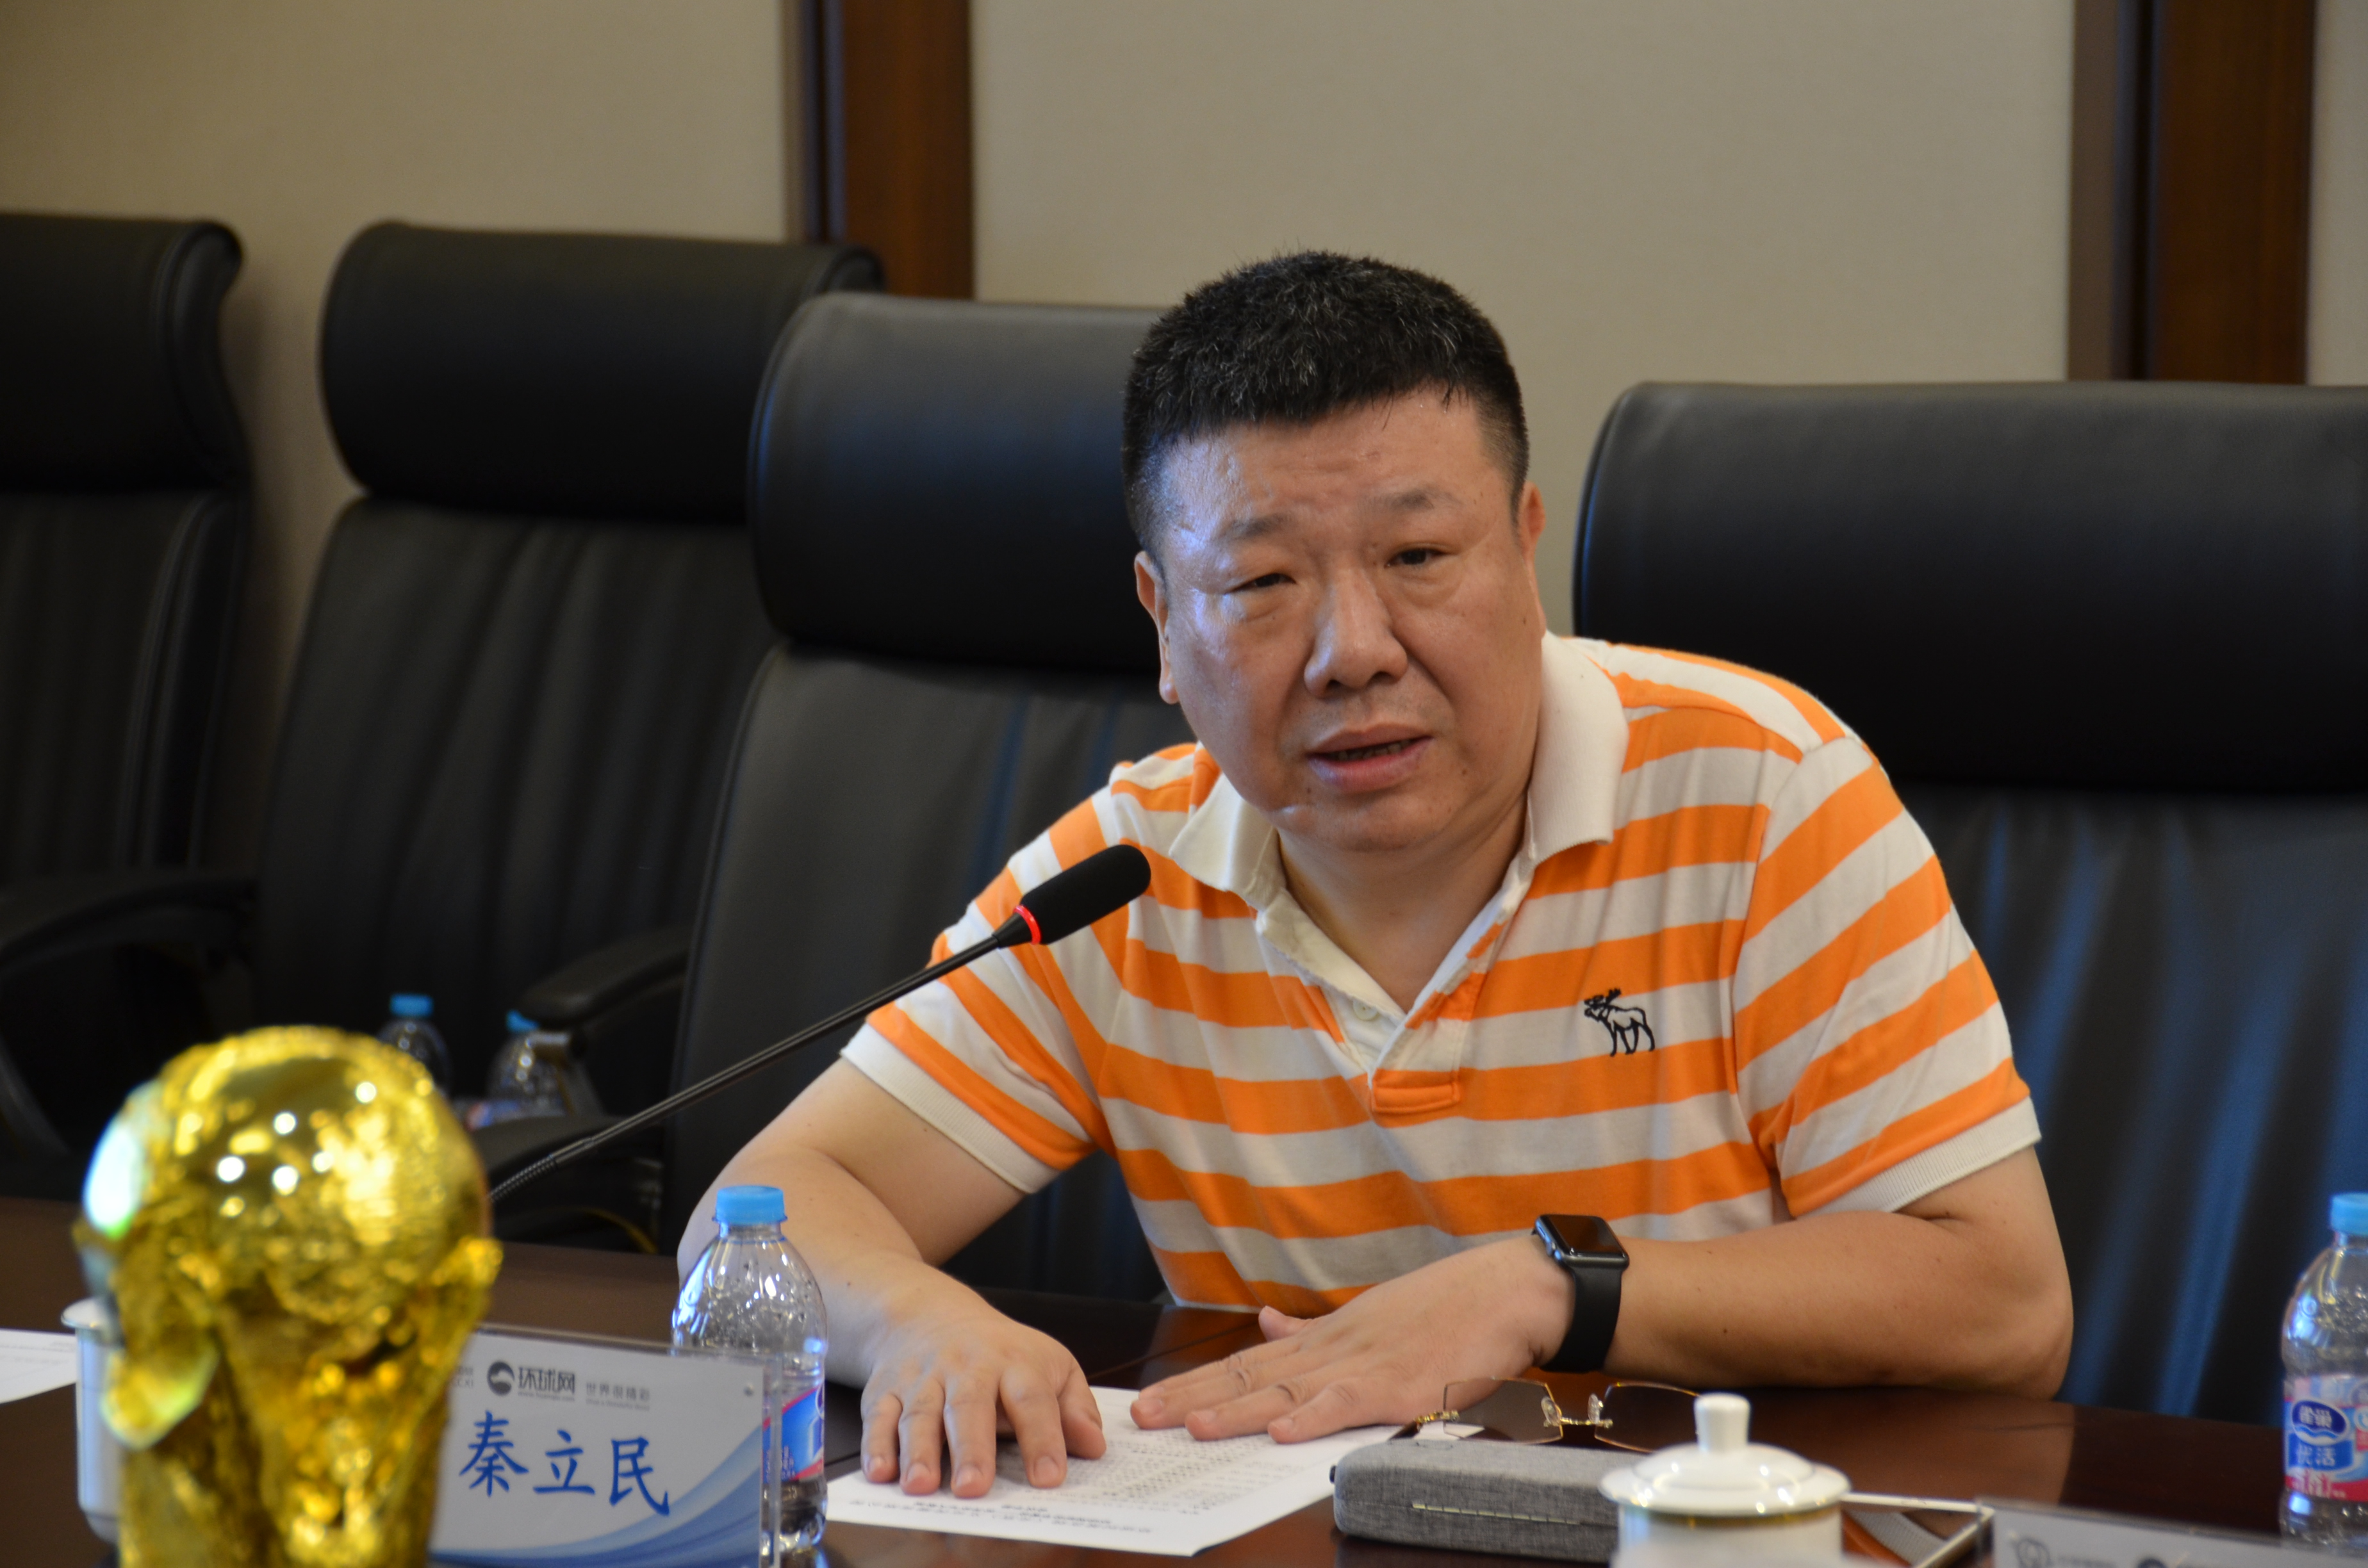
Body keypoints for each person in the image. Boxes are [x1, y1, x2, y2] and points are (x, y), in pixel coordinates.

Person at [682, 252, 2073, 1500]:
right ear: (1163, 624)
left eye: (1419, 556)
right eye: (1261, 585)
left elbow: (2006, 1305)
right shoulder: (1124, 881)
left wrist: (1550, 1288)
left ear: (1525, 549)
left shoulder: (1765, 794)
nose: (1353, 649)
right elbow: (763, 1212)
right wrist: (919, 1321)